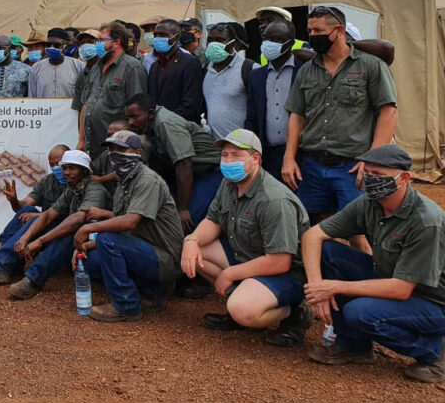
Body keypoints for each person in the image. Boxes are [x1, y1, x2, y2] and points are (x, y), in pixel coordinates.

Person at [302, 145, 445, 383]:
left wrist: (334, 287)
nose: (369, 180)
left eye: (378, 175)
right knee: (328, 252)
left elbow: (401, 288)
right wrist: (317, 287)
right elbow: (312, 236)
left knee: (361, 313)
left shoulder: (426, 220)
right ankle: (354, 346)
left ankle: (434, 351)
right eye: (367, 172)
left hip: (431, 301)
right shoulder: (369, 203)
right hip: (388, 278)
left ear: (405, 179)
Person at [180, 129, 312, 346]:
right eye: (225, 155)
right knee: (194, 253)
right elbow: (213, 220)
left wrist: (231, 273)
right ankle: (241, 298)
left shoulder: (274, 200)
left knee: (243, 310)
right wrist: (191, 240)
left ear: (256, 158)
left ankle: (294, 312)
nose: (228, 161)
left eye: (236, 155)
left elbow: (280, 261)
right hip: (249, 255)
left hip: (287, 273)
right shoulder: (229, 183)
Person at [282, 6, 398, 217]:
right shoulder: (307, 70)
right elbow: (296, 115)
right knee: (314, 225)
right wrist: (289, 158)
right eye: (310, 31)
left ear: (338, 31)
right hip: (313, 165)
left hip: (353, 167)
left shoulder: (370, 66)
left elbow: (388, 112)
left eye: (318, 31)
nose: (312, 36)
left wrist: (374, 159)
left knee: (359, 228)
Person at [0, 150, 108, 300]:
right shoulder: (72, 189)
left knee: (69, 233)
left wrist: (39, 241)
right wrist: (25, 238)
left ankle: (32, 280)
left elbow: (77, 220)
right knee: (34, 218)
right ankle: (0, 266)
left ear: (85, 171)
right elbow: (48, 215)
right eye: (65, 168)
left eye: (72, 168)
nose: (66, 172)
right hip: (75, 242)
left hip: (93, 247)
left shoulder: (95, 191)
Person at [74, 130, 184, 321]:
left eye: (121, 149)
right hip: (144, 249)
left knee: (108, 240)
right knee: (91, 261)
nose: (114, 154)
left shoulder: (147, 180)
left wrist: (87, 228)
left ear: (137, 153)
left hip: (166, 258)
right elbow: (122, 225)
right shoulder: (124, 182)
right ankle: (149, 292)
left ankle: (127, 305)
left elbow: (130, 221)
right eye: (111, 149)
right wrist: (88, 245)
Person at [125, 93, 221, 231]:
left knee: (186, 221)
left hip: (212, 172)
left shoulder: (166, 123)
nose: (130, 122)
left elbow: (184, 163)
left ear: (150, 114)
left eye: (134, 117)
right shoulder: (149, 125)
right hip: (191, 174)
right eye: (128, 118)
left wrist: (183, 209)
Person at [0, 144, 69, 264]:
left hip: (62, 230)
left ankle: (4, 259)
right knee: (26, 210)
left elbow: (73, 217)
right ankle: (0, 249)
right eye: (51, 165)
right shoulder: (48, 181)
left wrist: (37, 216)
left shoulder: (77, 183)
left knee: (34, 219)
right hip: (43, 225)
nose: (55, 168)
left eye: (58, 164)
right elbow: (24, 205)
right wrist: (14, 200)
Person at [80, 22, 146, 158]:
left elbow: (137, 112)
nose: (96, 45)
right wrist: (81, 140)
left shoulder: (132, 67)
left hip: (116, 146)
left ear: (116, 42)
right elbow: (86, 105)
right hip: (92, 146)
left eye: (101, 40)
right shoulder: (96, 68)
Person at [245, 19, 299, 177]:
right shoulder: (256, 76)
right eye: (267, 39)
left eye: (276, 40)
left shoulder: (303, 71)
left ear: (290, 44)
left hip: (298, 155)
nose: (269, 44)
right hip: (267, 155)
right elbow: (252, 117)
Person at [146, 18, 204, 124]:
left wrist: (167, 121)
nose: (158, 39)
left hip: (180, 126)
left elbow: (191, 103)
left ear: (175, 38)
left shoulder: (190, 62)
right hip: (157, 127)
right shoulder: (155, 66)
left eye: (163, 35)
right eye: (156, 35)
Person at [201, 22, 253, 140]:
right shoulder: (205, 71)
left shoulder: (249, 69)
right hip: (214, 148)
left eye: (220, 40)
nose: (213, 44)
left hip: (241, 147)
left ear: (236, 45)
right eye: (210, 40)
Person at [28, 27, 84, 99]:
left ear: (65, 47)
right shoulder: (36, 68)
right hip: (44, 110)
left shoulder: (78, 66)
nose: (51, 48)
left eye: (57, 45)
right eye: (48, 45)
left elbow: (83, 96)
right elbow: (32, 97)